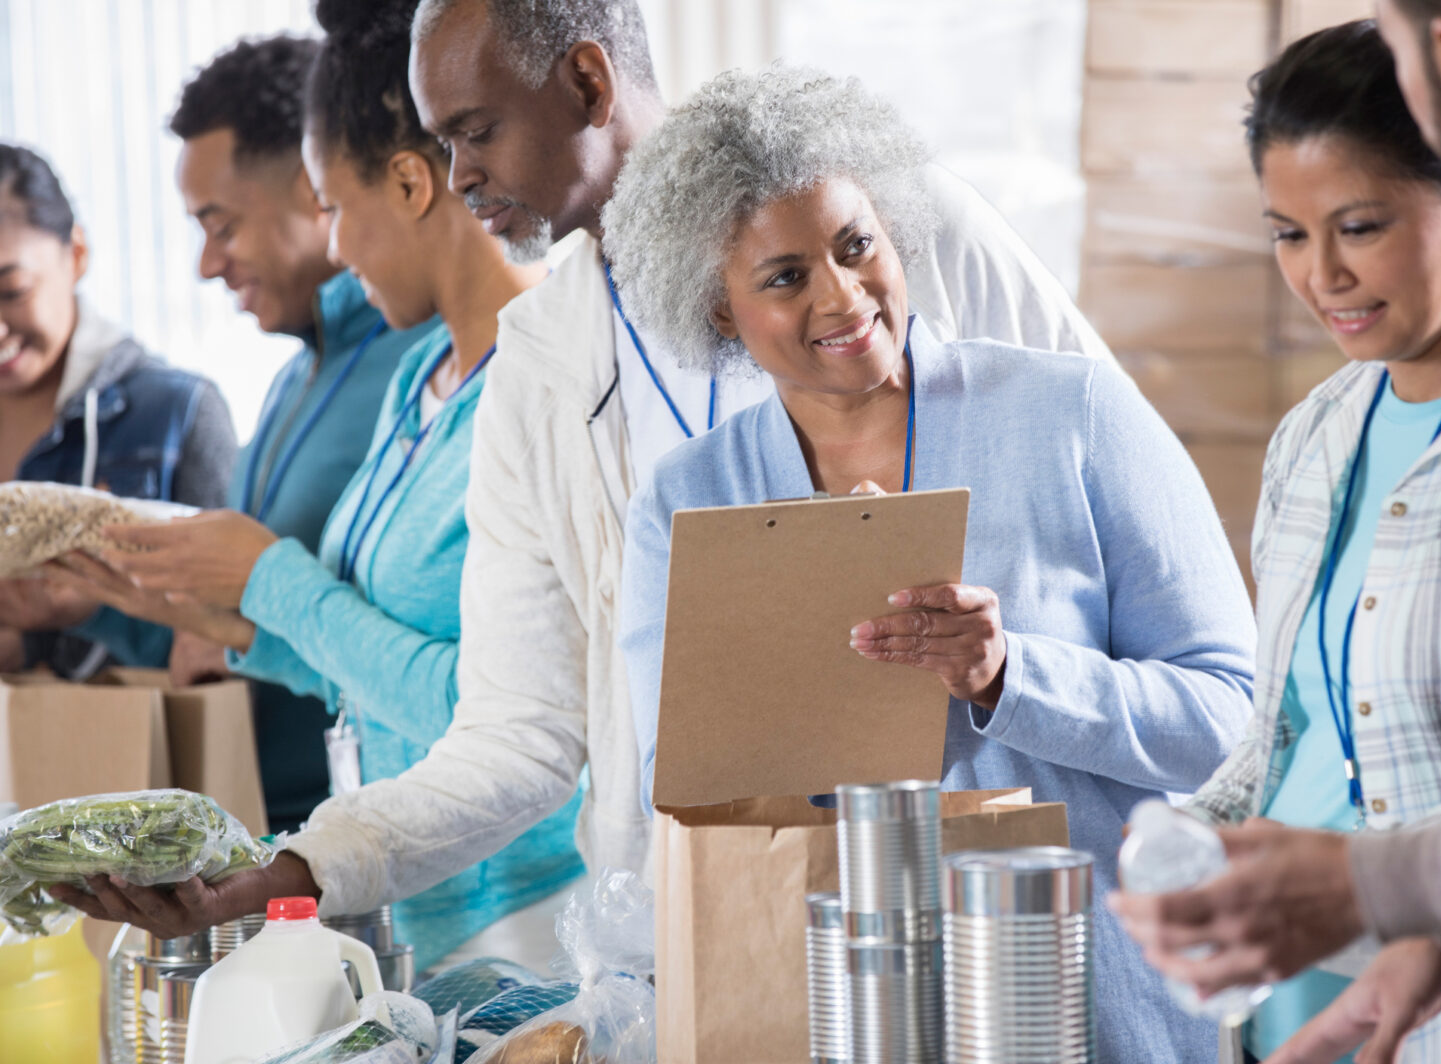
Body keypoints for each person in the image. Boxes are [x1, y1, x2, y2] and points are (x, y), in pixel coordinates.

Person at [53, 0, 1128, 966]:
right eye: (442, 142)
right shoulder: (539, 366)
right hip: (704, 931)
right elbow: (518, 730)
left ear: (586, 81)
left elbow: (1113, 497)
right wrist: (284, 872)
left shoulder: (895, 225)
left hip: (975, 895)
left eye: (474, 132)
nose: (458, 175)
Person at [609, 66, 1256, 1064]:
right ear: (721, 311)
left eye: (856, 243)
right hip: (831, 1013)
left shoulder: (1074, 415)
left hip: (1096, 1007)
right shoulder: (690, 499)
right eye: (784, 276)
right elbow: (683, 780)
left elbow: (1229, 725)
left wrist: (1009, 676)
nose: (842, 293)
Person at [1110, 2, 1441, 1064]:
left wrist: (1374, 873)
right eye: (1288, 233)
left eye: (1359, 225)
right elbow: (1281, 726)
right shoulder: (1313, 438)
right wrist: (1190, 835)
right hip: (1292, 993)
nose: (1320, 274)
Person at [54, 0, 582, 972]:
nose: (334, 248)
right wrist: (246, 632)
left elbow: (498, 713)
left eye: (335, 206)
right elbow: (368, 668)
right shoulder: (421, 388)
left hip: (533, 920)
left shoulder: (544, 388)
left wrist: (273, 583)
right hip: (415, 908)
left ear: (414, 183)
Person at [37, 36, 439, 836]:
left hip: (414, 844)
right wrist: (94, 602)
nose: (206, 265)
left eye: (220, 225)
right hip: (287, 833)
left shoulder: (431, 369)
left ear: (312, 182)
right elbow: (238, 630)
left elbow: (440, 657)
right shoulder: (295, 382)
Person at [0, 144, 237, 678]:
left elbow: (229, 642)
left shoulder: (178, 413)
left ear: (76, 255)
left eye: (11, 290)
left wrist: (86, 614)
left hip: (124, 752)